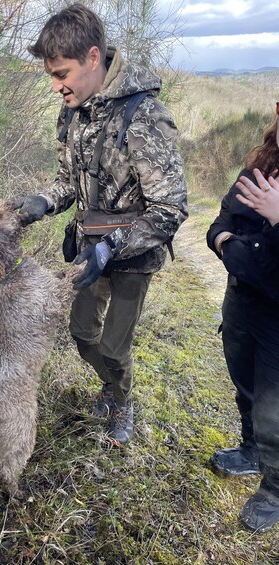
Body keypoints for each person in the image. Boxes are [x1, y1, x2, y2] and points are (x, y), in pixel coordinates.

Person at [15, 3, 187, 444]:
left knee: (113, 347)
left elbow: (169, 208)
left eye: (62, 73)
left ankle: (123, 401)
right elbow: (66, 182)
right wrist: (42, 202)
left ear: (94, 58)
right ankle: (111, 387)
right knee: (82, 333)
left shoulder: (145, 115)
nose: (55, 86)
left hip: (133, 254)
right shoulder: (73, 110)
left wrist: (112, 245)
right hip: (86, 247)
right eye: (50, 75)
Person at [206, 101, 279, 532]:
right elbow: (220, 223)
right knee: (245, 384)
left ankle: (274, 488)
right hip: (242, 300)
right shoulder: (261, 164)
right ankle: (252, 452)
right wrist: (226, 242)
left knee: (274, 406)